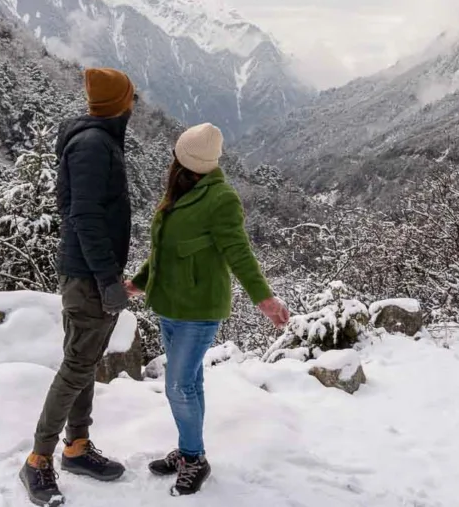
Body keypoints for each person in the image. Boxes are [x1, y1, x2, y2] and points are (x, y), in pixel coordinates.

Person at [126, 122, 291, 497]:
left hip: (199, 308)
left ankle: (194, 459)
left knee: (178, 386)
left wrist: (263, 298)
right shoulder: (181, 191)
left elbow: (239, 252)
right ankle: (189, 451)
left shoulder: (221, 199)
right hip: (169, 303)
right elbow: (163, 250)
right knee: (191, 382)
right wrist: (138, 283)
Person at [20, 68, 137, 507]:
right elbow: (83, 215)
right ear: (118, 103)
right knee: (76, 367)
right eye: (131, 97)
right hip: (88, 275)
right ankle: (37, 460)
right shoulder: (93, 144)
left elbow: (77, 208)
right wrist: (108, 278)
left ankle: (77, 446)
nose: (135, 103)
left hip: (86, 271)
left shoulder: (97, 138)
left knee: (83, 362)